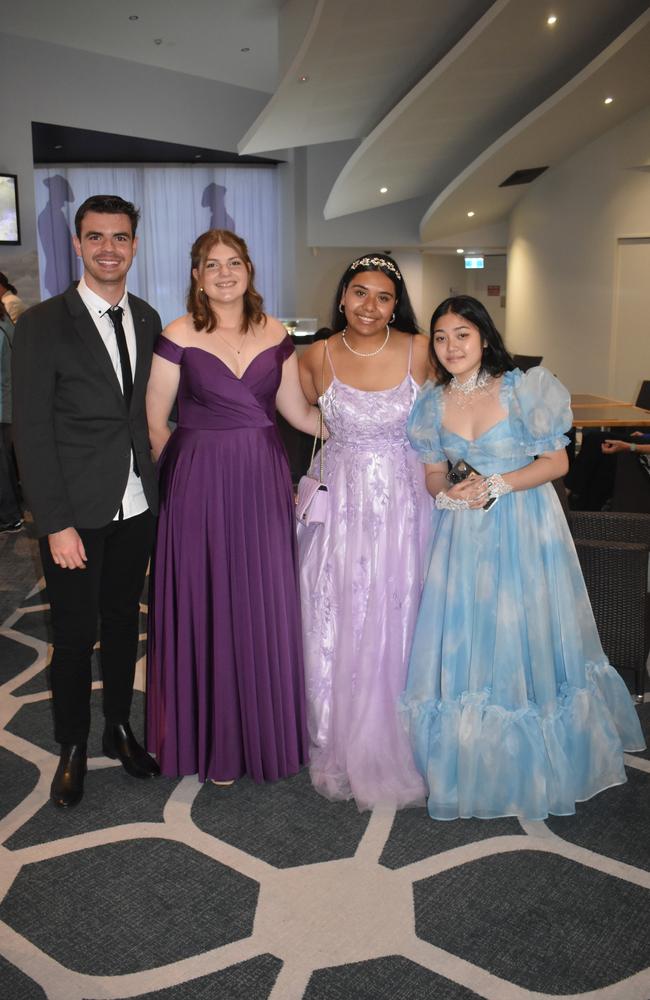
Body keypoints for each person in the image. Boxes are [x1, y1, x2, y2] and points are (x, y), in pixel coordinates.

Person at [401, 295, 645, 822]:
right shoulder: (430, 401)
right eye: (441, 337)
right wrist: (446, 493)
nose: (450, 347)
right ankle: (476, 756)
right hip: (462, 533)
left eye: (461, 334)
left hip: (524, 525)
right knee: (471, 635)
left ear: (484, 337)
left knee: (525, 631)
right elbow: (432, 472)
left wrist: (496, 483)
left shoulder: (523, 388)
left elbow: (556, 462)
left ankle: (538, 757)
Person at [145, 229, 321, 784]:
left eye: (234, 262)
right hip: (197, 479)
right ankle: (210, 739)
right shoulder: (177, 333)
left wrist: (366, 432)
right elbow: (154, 419)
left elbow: (296, 411)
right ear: (196, 276)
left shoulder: (277, 333)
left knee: (260, 597)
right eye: (211, 264)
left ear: (250, 269)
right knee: (208, 599)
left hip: (263, 478)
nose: (224, 273)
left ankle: (259, 733)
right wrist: (182, 472)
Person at [12, 194, 162, 808]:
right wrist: (55, 524)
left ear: (133, 244)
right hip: (75, 514)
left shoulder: (149, 318)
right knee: (74, 635)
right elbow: (32, 432)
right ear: (77, 245)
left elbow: (149, 415)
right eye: (95, 237)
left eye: (120, 237)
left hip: (136, 506)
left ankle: (119, 727)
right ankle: (72, 745)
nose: (108, 248)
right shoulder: (42, 323)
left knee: (126, 622)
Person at [298, 254, 435, 810]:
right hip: (343, 501)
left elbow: (451, 410)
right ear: (342, 297)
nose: (370, 306)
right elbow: (299, 412)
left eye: (382, 297)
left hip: (406, 504)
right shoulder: (317, 354)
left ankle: (405, 733)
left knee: (402, 608)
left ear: (396, 304)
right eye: (359, 293)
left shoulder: (420, 349)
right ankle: (338, 731)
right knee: (340, 610)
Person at [0, 303, 22, 532]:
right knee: (5, 465)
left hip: (3, 407)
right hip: (8, 406)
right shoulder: (7, 325)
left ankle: (9, 516)